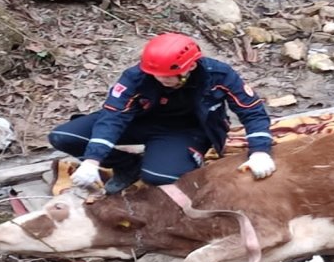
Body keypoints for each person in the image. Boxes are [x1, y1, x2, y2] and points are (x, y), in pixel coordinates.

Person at [49, 32, 277, 194]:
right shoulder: (137, 77)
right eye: (157, 75)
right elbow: (113, 116)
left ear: (190, 67)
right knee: (64, 137)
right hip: (139, 122)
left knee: (160, 178)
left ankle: (162, 161)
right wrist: (92, 159)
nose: (162, 80)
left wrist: (260, 151)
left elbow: (252, 111)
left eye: (168, 75)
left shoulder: (218, 75)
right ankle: (128, 166)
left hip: (187, 130)